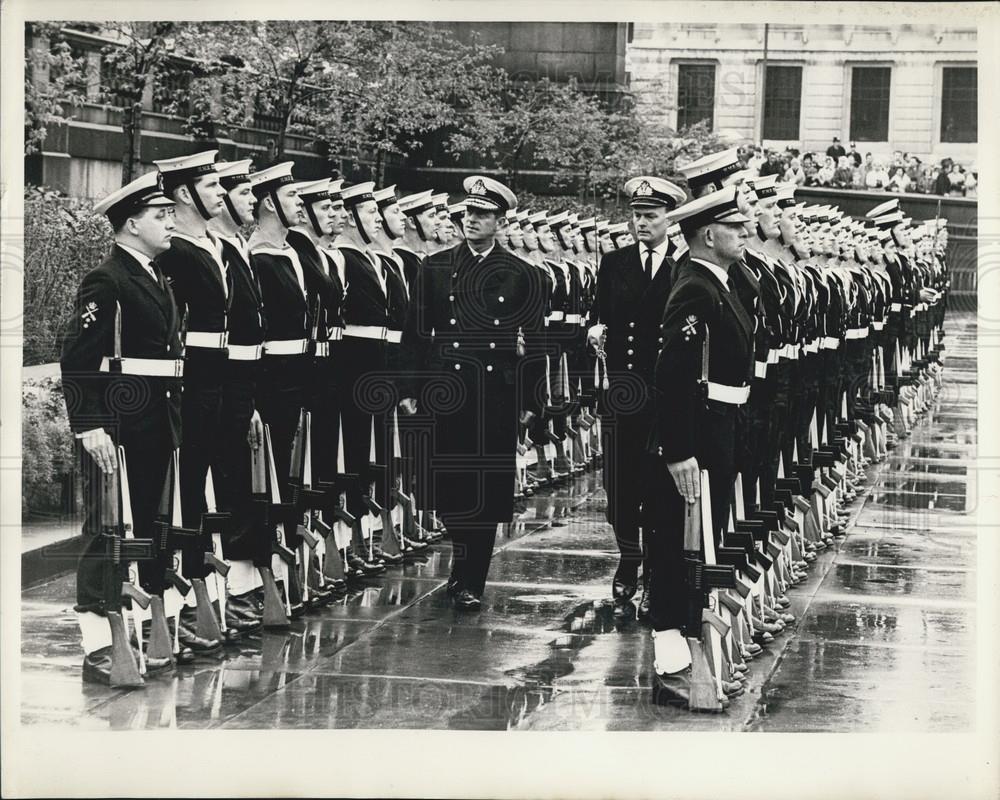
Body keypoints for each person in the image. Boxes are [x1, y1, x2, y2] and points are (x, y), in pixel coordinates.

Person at [398, 175, 547, 610]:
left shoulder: (523, 275)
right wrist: (408, 386)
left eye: (482, 215)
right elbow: (414, 330)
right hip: (446, 389)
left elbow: (535, 343)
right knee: (448, 486)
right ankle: (460, 561)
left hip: (493, 395)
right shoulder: (436, 266)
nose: (472, 221)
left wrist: (530, 402)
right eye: (468, 213)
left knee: (482, 491)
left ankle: (470, 580)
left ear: (499, 221)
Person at [60, 170, 182, 684]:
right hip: (117, 422)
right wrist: (89, 425)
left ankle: (140, 631)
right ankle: (97, 647)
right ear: (131, 224)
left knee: (148, 531)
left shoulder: (157, 277)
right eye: (161, 216)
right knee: (105, 533)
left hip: (156, 419)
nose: (170, 222)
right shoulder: (107, 279)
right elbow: (78, 359)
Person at [646, 184, 754, 707]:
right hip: (698, 434)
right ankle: (674, 668)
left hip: (720, 425)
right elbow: (673, 374)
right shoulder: (694, 286)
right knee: (675, 551)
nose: (745, 232)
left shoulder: (722, 282)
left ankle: (693, 664)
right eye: (734, 227)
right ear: (708, 234)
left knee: (700, 551)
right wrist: (678, 450)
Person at [587, 175, 687, 620]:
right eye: (636, 215)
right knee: (620, 487)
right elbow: (600, 320)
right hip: (621, 393)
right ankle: (629, 557)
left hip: (663, 394)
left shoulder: (683, 267)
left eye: (650, 216)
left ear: (670, 219)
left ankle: (651, 576)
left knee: (657, 488)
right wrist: (591, 335)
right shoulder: (614, 263)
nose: (641, 223)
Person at [153, 149, 231, 656]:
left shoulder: (213, 245)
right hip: (190, 389)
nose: (221, 193)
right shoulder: (176, 253)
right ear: (185, 194)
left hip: (214, 387)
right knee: (181, 499)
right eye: (212, 186)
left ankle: (199, 598)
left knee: (200, 498)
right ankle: (177, 604)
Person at [206, 160, 267, 631]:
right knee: (221, 494)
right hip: (221, 387)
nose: (252, 200)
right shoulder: (216, 251)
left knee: (242, 493)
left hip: (245, 383)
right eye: (242, 192)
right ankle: (224, 592)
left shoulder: (234, 247)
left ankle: (242, 587)